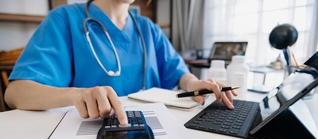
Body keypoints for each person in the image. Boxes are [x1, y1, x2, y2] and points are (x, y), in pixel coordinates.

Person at [5, 0, 236, 125]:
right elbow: (16, 92)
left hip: (157, 131)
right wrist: (77, 95)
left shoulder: (148, 29)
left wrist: (194, 84)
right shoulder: (64, 19)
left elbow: (178, 74)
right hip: (92, 133)